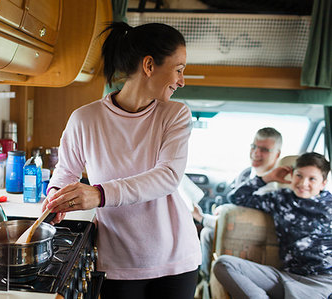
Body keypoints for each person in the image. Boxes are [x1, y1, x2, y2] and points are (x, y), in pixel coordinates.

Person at [42, 22, 201, 299]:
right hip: (119, 261)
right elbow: (66, 171)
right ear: (149, 65)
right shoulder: (85, 118)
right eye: (179, 69)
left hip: (175, 259)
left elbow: (167, 177)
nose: (181, 80)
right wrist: (57, 196)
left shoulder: (175, 115)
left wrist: (99, 194)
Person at [213, 152, 332, 299]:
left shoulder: (329, 205)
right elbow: (237, 197)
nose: (303, 183)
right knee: (223, 264)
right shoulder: (281, 199)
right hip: (286, 277)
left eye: (312, 179)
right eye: (299, 175)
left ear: (323, 183)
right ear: (292, 174)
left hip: (321, 281)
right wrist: (267, 178)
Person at [193, 127, 283, 280]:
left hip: (247, 243)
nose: (256, 153)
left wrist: (201, 218)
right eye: (254, 146)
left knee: (207, 233)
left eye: (264, 149)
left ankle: (205, 279)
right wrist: (224, 209)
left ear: (277, 154)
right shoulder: (246, 174)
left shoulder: (271, 191)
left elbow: (240, 227)